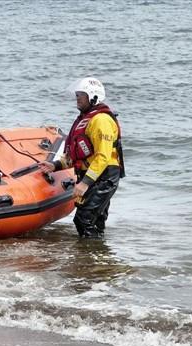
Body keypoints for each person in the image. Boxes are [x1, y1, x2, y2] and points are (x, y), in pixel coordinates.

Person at [39, 77, 125, 238]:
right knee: (96, 219)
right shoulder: (86, 119)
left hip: (105, 175)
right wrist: (55, 166)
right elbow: (79, 155)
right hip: (93, 174)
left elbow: (103, 157)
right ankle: (97, 255)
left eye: (80, 95)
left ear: (93, 96)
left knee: (83, 219)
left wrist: (85, 184)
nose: (77, 98)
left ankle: (90, 257)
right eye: (77, 94)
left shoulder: (101, 121)